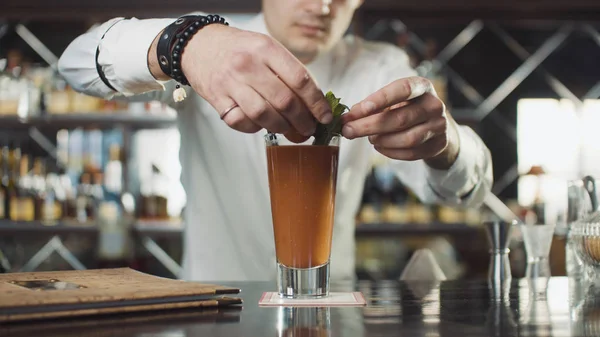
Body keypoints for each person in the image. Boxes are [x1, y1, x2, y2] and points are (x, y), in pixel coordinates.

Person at [57, 0, 493, 282]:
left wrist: (446, 143)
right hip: (213, 314)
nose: (323, 7)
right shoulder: (215, 43)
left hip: (326, 313)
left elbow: (466, 193)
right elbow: (76, 64)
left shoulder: (381, 66)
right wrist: (184, 44)